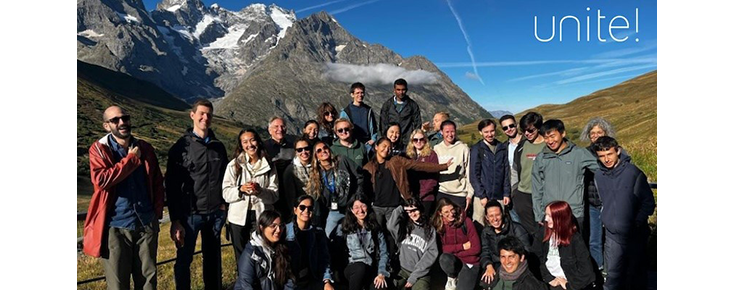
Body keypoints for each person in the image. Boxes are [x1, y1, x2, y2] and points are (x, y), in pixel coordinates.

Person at [84, 106, 164, 290]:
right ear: (106, 126)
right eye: (115, 120)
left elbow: (157, 181)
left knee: (148, 283)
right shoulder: (98, 149)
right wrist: (130, 160)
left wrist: (156, 213)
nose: (122, 123)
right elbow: (101, 180)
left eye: (125, 118)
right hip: (115, 227)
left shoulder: (145, 147)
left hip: (146, 223)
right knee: (118, 284)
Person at [363, 137, 451, 277]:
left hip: (394, 207)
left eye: (389, 147)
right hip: (377, 208)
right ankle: (378, 268)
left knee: (394, 237)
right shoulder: (369, 167)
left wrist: (442, 167)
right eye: (383, 146)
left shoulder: (396, 161)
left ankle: (395, 266)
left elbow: (418, 165)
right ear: (376, 147)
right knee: (378, 237)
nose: (387, 149)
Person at [166, 99, 229, 290]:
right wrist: (176, 220)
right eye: (201, 113)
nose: (205, 117)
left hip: (215, 214)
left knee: (213, 260)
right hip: (190, 215)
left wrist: (224, 204)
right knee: (184, 260)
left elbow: (226, 177)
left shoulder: (219, 146)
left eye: (209, 114)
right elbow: (171, 185)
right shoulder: (181, 148)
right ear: (192, 115)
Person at [592, 137, 655, 290]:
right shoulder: (599, 176)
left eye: (610, 154)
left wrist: (637, 222)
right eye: (602, 155)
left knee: (636, 276)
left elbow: (648, 203)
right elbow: (603, 201)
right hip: (612, 235)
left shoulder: (633, 173)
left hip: (635, 234)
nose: (606, 159)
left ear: (618, 151)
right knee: (612, 277)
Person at [222, 129, 279, 266]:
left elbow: (274, 195)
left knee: (261, 250)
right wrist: (240, 190)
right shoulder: (234, 165)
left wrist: (260, 191)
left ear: (258, 142)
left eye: (252, 140)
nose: (250, 145)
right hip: (238, 217)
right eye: (245, 142)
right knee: (240, 253)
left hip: (261, 215)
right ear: (241, 145)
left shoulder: (269, 166)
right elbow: (225, 193)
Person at [532, 120, 598, 234]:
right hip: (550, 214)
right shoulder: (541, 158)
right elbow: (536, 188)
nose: (550, 141)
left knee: (576, 250)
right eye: (546, 138)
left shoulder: (579, 154)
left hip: (574, 213)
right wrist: (539, 214)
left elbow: (601, 169)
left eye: (552, 136)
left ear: (563, 133)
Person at [578, 117, 627, 271]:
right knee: (594, 240)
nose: (596, 135)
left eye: (599, 132)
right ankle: (598, 270)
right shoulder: (584, 153)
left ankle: (614, 270)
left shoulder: (617, 151)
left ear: (607, 133)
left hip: (613, 203)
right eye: (592, 133)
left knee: (613, 239)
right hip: (593, 203)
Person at [306, 141, 364, 237]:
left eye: (325, 148)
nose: (323, 151)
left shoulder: (342, 160)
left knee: (353, 235)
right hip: (334, 211)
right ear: (316, 157)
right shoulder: (316, 173)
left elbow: (360, 175)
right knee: (330, 235)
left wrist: (358, 196)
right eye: (319, 151)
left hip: (351, 207)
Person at [535, 201, 595, 290]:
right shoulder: (543, 232)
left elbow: (587, 272)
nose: (546, 219)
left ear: (561, 218)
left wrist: (569, 286)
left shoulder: (575, 240)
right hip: (547, 279)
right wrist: (548, 278)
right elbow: (535, 257)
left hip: (566, 282)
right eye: (546, 215)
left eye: (550, 216)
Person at [334, 195, 390, 290]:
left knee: (381, 286)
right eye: (356, 207)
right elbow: (336, 253)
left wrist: (381, 273)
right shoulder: (343, 228)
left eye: (363, 206)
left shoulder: (375, 228)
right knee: (360, 268)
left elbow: (384, 253)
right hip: (352, 268)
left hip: (370, 268)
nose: (360, 210)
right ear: (351, 210)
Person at [386, 197, 439, 290]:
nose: (412, 214)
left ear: (420, 209)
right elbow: (390, 226)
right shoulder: (405, 226)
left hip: (421, 273)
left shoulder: (430, 230)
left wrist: (414, 276)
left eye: (414, 210)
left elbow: (430, 255)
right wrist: (402, 207)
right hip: (403, 270)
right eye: (409, 212)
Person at [234, 210, 295, 290]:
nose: (278, 230)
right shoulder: (250, 254)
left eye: (281, 226)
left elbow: (289, 279)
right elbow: (246, 285)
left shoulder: (283, 248)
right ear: (261, 227)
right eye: (273, 226)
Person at [285, 195, 335, 290]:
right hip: (291, 282)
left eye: (310, 208)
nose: (306, 211)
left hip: (312, 279)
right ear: (295, 210)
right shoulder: (285, 231)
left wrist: (327, 281)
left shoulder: (318, 233)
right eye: (302, 207)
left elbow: (324, 259)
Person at [479, 200, 532, 287]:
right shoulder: (486, 232)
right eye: (491, 216)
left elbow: (526, 250)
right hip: (496, 264)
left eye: (497, 215)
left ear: (502, 214)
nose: (495, 219)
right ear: (487, 217)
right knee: (486, 282)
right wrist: (488, 265)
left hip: (515, 263)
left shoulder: (516, 228)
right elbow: (485, 251)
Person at [432, 198, 481, 290]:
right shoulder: (439, 225)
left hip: (470, 261)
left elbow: (476, 248)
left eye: (452, 210)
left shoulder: (466, 222)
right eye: (446, 212)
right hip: (454, 260)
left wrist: (454, 251)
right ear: (440, 213)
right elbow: (441, 249)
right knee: (444, 258)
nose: (451, 214)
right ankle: (452, 276)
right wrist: (462, 246)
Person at [469, 119, 511, 226]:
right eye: (486, 132)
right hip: (482, 197)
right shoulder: (477, 149)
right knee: (480, 224)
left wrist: (506, 193)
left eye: (492, 131)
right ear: (480, 132)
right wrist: (481, 195)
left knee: (499, 224)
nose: (489, 134)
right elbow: (474, 175)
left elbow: (506, 171)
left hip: (499, 195)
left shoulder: (502, 148)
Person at [511, 112, 545, 235]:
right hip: (523, 195)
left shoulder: (548, 146)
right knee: (529, 231)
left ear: (539, 128)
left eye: (530, 130)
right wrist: (514, 191)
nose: (527, 134)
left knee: (544, 229)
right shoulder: (522, 146)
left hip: (543, 195)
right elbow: (515, 169)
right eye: (524, 130)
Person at [433, 120, 473, 214]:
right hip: (442, 192)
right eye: (447, 132)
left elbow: (469, 173)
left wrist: (469, 194)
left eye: (452, 131)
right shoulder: (436, 149)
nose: (450, 135)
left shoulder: (463, 148)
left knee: (459, 222)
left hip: (459, 194)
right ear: (441, 132)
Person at [264, 117, 296, 223]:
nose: (280, 129)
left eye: (282, 126)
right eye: (276, 127)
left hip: (289, 191)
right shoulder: (263, 147)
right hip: (270, 191)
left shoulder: (293, 146)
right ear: (269, 130)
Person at [406, 129, 441, 214]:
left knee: (425, 220)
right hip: (412, 196)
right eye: (415, 140)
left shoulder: (431, 155)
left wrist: (424, 192)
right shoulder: (408, 156)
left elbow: (434, 177)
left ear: (425, 140)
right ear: (412, 141)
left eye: (421, 139)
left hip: (426, 196)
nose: (418, 142)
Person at [380, 78, 422, 146]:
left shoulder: (413, 105)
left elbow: (417, 124)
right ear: (394, 90)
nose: (401, 92)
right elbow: (383, 124)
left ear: (406, 90)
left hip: (407, 142)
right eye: (398, 90)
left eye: (403, 90)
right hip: (391, 142)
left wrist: (414, 139)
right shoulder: (387, 105)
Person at [340, 82, 379, 152]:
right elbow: (341, 129)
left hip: (367, 144)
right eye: (357, 93)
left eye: (362, 93)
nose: (360, 95)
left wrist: (373, 139)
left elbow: (373, 127)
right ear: (352, 95)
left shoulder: (368, 110)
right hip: (353, 144)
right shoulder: (346, 112)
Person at [282, 137, 314, 221]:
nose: (304, 152)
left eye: (306, 148)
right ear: (296, 152)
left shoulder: (317, 166)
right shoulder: (291, 170)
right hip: (301, 211)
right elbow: (290, 196)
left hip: (317, 208)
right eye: (300, 150)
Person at [499, 115, 522, 191]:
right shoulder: (503, 147)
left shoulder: (527, 143)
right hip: (511, 188)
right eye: (505, 128)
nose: (509, 129)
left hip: (527, 187)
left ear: (517, 125)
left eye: (511, 126)